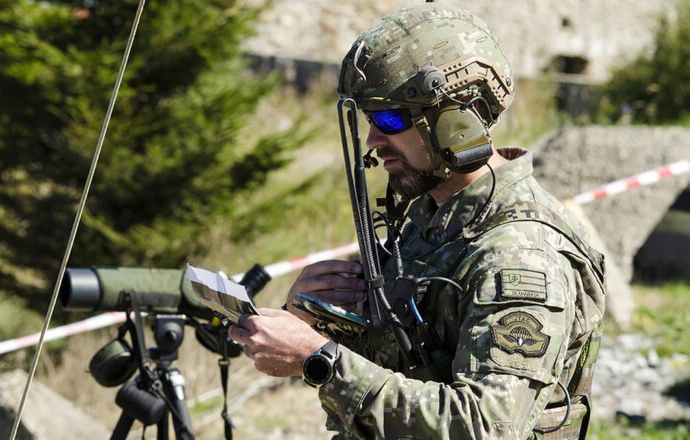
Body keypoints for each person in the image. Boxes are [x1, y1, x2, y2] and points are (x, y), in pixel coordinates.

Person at [228, 4, 605, 439]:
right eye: (370, 119)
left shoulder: (518, 255)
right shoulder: (434, 216)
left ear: (457, 119)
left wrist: (321, 361)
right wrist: (309, 318)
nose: (374, 140)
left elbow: (486, 425)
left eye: (389, 119)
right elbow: (404, 362)